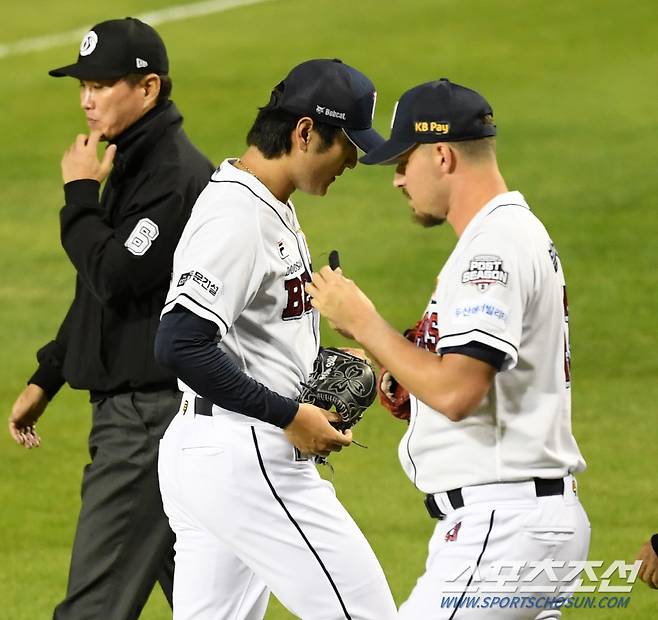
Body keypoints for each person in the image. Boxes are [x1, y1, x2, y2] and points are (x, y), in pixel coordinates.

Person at [306, 78, 591, 618]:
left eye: (402, 161)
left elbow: (458, 392)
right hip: (529, 521)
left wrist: (366, 324)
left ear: (441, 155)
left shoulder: (493, 248)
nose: (395, 180)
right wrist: (397, 367)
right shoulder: (513, 232)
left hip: (502, 529)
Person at [154, 58, 398, 619]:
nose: (355, 161)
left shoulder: (266, 202)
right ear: (306, 132)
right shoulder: (237, 216)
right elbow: (178, 343)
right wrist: (290, 413)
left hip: (216, 452)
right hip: (247, 457)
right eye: (350, 145)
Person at [7, 17, 214, 620]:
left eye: (101, 84)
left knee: (92, 609)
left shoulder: (169, 175)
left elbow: (116, 275)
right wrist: (49, 374)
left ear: (148, 89)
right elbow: (105, 294)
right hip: (158, 415)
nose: (87, 99)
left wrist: (78, 199)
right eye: (82, 85)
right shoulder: (130, 160)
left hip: (147, 424)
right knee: (210, 609)